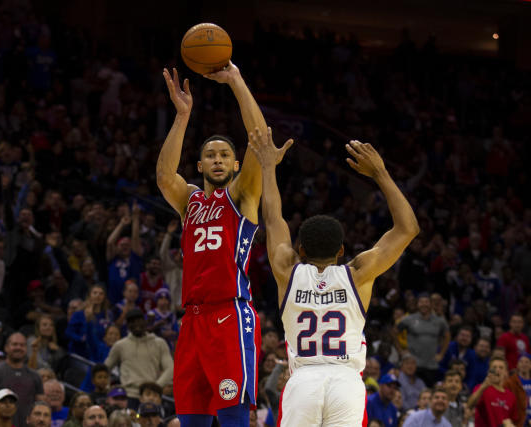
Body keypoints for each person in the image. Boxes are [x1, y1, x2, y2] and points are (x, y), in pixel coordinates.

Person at [249, 130, 418, 426]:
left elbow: (273, 217)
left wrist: (268, 166)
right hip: (346, 382)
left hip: (303, 381)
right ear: (342, 250)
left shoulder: (287, 271)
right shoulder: (359, 274)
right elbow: (407, 229)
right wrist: (380, 173)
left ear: (300, 249)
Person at [157, 62, 274, 427]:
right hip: (191, 319)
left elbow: (258, 134)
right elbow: (163, 176)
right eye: (211, 155)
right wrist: (182, 115)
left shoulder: (242, 195)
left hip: (228, 315)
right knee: (191, 418)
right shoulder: (189, 201)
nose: (218, 159)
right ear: (201, 163)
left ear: (236, 164)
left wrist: (237, 81)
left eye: (225, 155)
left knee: (233, 417)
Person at [105, 308, 173, 408]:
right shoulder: (120, 345)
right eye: (132, 322)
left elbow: (170, 368)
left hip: (151, 396)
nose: (136, 324)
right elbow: (105, 368)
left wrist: (156, 386)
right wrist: (108, 387)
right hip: (128, 396)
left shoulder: (159, 343)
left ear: (144, 321)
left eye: (138, 320)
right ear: (128, 325)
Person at [0, 332, 44, 427]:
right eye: (14, 344)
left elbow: (41, 406)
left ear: (26, 348)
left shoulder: (35, 375)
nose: (18, 347)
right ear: (6, 347)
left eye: (22, 345)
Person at [397, 294, 450, 386]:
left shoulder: (439, 321)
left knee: (429, 393)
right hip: (414, 365)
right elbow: (394, 331)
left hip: (431, 365)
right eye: (421, 302)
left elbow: (447, 335)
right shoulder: (409, 319)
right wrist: (400, 350)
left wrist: (441, 354)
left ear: (431, 304)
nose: (424, 304)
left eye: (426, 302)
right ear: (417, 304)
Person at [467, 356, 519, 427]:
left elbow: (512, 421)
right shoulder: (481, 388)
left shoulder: (511, 396)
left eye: (501, 367)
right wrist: (483, 386)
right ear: (488, 370)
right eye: (494, 367)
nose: (497, 370)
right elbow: (470, 405)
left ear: (506, 372)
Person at [503, 353, 531, 427]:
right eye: (521, 362)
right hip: (518, 421)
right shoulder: (510, 382)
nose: (524, 364)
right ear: (517, 365)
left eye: (527, 362)